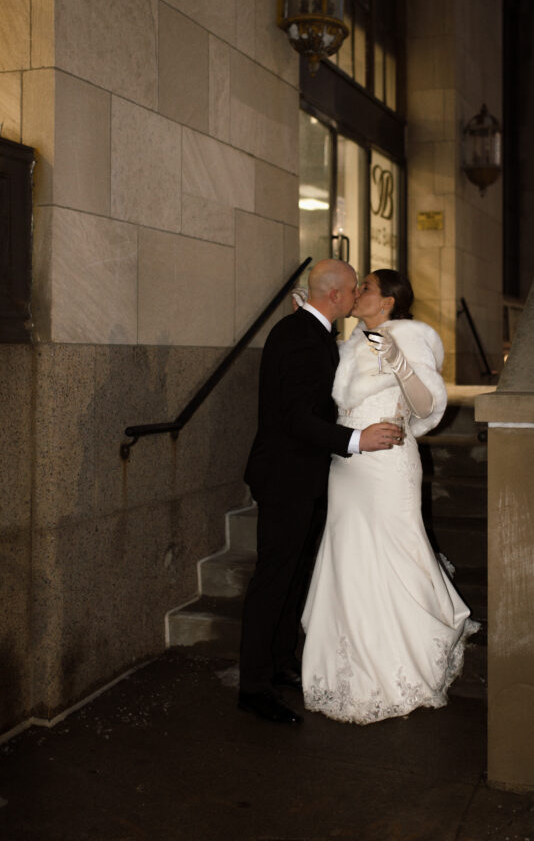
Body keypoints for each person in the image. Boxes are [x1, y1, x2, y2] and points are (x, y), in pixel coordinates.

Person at [301, 269, 478, 724]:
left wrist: (400, 363)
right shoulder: (350, 344)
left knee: (395, 553)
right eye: (358, 288)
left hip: (388, 467)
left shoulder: (410, 337)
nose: (358, 294)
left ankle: (403, 657)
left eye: (367, 289)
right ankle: (348, 661)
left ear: (390, 302)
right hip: (348, 467)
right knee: (350, 557)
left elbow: (427, 408)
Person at [239, 259, 404, 724]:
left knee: (293, 578)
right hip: (285, 478)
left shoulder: (311, 333)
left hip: (308, 476)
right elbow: (295, 418)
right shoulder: (296, 337)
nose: (356, 296)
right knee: (273, 580)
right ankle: (253, 686)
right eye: (354, 289)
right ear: (336, 296)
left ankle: (280, 663)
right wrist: (357, 440)